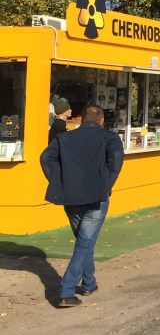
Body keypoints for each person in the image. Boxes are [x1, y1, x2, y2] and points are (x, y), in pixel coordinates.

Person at [39, 104, 124, 308]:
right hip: (97, 197)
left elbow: (45, 158)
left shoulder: (65, 138)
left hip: (71, 197)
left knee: (84, 242)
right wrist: (107, 184)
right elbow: (116, 162)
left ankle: (88, 283)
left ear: (81, 120)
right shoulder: (110, 138)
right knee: (85, 243)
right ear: (101, 120)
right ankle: (67, 291)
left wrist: (58, 181)